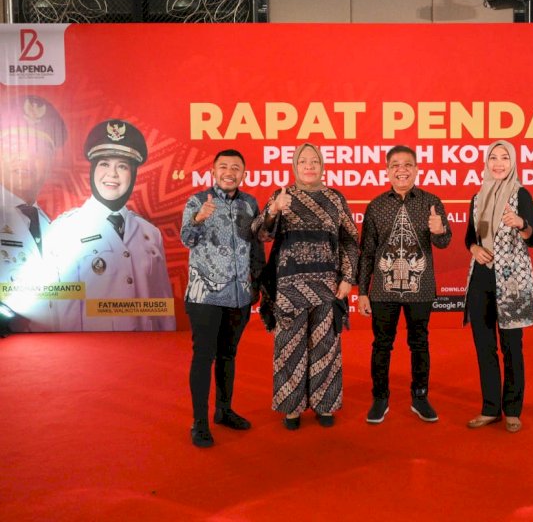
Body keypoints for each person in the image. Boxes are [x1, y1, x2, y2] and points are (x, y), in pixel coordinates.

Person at [252, 143, 359, 431]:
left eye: (314, 161)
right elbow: (260, 233)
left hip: (327, 286)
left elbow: (350, 239)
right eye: (303, 161)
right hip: (289, 287)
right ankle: (291, 408)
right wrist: (274, 209)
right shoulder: (282, 196)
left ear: (322, 165)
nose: (309, 166)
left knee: (326, 346)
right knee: (289, 348)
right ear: (295, 166)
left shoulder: (335, 199)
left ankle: (325, 405)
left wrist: (348, 277)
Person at [47, 120, 175, 331]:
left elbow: (162, 305)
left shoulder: (150, 233)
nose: (112, 174)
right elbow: (59, 310)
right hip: (94, 356)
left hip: (147, 355)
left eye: (122, 166)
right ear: (92, 170)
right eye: (104, 163)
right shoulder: (65, 230)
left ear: (133, 175)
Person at [357, 145, 452, 424]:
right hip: (382, 291)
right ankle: (380, 397)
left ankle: (420, 396)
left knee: (419, 343)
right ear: (387, 170)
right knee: (382, 344)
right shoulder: (376, 206)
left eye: (408, 164)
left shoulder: (431, 202)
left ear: (417, 169)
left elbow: (444, 243)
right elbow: (367, 252)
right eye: (395, 165)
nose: (402, 170)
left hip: (420, 288)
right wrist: (362, 291)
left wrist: (440, 231)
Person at [181, 149, 265, 448]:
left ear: (244, 172)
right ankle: (200, 423)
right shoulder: (197, 201)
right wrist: (198, 218)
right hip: (205, 295)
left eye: (236, 167)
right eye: (224, 167)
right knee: (204, 356)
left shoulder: (250, 203)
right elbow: (186, 239)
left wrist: (259, 284)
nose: (230, 171)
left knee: (229, 355)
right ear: (214, 171)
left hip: (239, 294)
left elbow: (257, 246)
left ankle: (224, 410)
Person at [464, 140, 533, 433]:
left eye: (504, 158)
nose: (498, 163)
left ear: (513, 163)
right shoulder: (477, 196)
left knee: (511, 347)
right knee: (485, 348)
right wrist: (473, 248)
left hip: (511, 282)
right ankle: (489, 408)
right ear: (486, 162)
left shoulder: (521, 194)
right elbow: (469, 236)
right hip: (481, 279)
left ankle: (512, 410)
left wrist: (520, 223)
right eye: (493, 158)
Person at [0, 94, 66, 332]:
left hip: (48, 357)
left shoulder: (55, 228)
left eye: (36, 150)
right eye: (13, 146)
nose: (24, 158)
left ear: (50, 161)